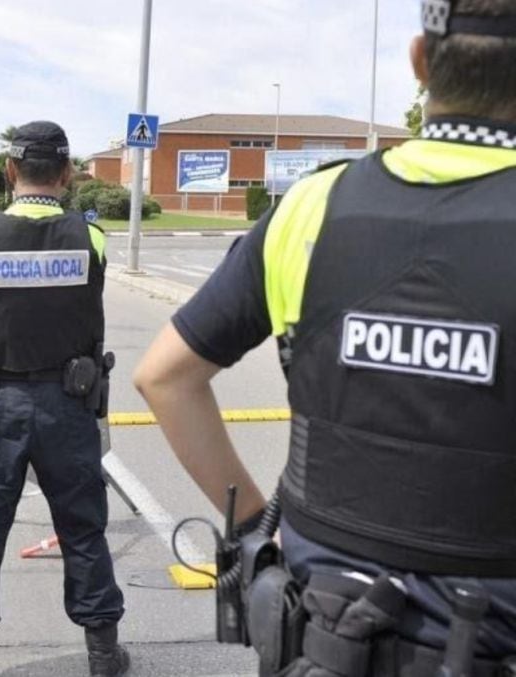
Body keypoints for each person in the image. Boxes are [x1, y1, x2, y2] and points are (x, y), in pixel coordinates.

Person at [133, 2, 516, 674]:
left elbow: (165, 377)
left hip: (316, 640)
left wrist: (256, 528)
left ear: (420, 62)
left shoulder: (312, 207)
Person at [0, 121, 129, 677]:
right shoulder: (93, 238)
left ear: (10, 171)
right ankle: (104, 655)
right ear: (67, 175)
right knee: (83, 528)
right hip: (69, 404)